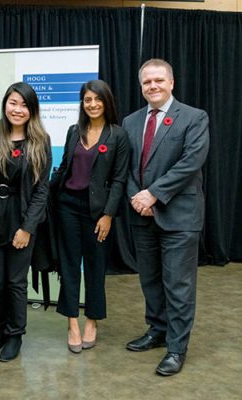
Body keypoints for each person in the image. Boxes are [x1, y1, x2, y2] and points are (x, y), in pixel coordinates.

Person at [123, 59, 209, 376]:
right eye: (147, 82)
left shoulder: (194, 117)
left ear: (171, 83)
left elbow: (191, 162)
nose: (153, 86)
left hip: (179, 216)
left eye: (159, 80)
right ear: (141, 86)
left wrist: (154, 194)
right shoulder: (131, 121)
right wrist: (137, 197)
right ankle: (157, 330)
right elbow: (127, 165)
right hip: (141, 214)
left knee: (178, 285)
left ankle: (176, 348)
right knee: (150, 281)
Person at [0, 82, 51, 362]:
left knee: (15, 282)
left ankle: (16, 334)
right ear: (5, 103)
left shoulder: (40, 140)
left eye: (24, 105)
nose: (17, 110)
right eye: (13, 103)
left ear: (32, 110)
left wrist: (28, 228)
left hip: (21, 219)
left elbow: (42, 188)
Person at [51, 80, 129, 354]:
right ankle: (72, 322)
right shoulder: (74, 131)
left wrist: (108, 214)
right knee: (70, 265)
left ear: (107, 102)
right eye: (87, 100)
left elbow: (119, 180)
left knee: (95, 267)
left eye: (98, 99)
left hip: (98, 212)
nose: (92, 104)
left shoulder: (118, 135)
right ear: (82, 103)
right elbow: (64, 168)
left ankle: (92, 321)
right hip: (67, 207)